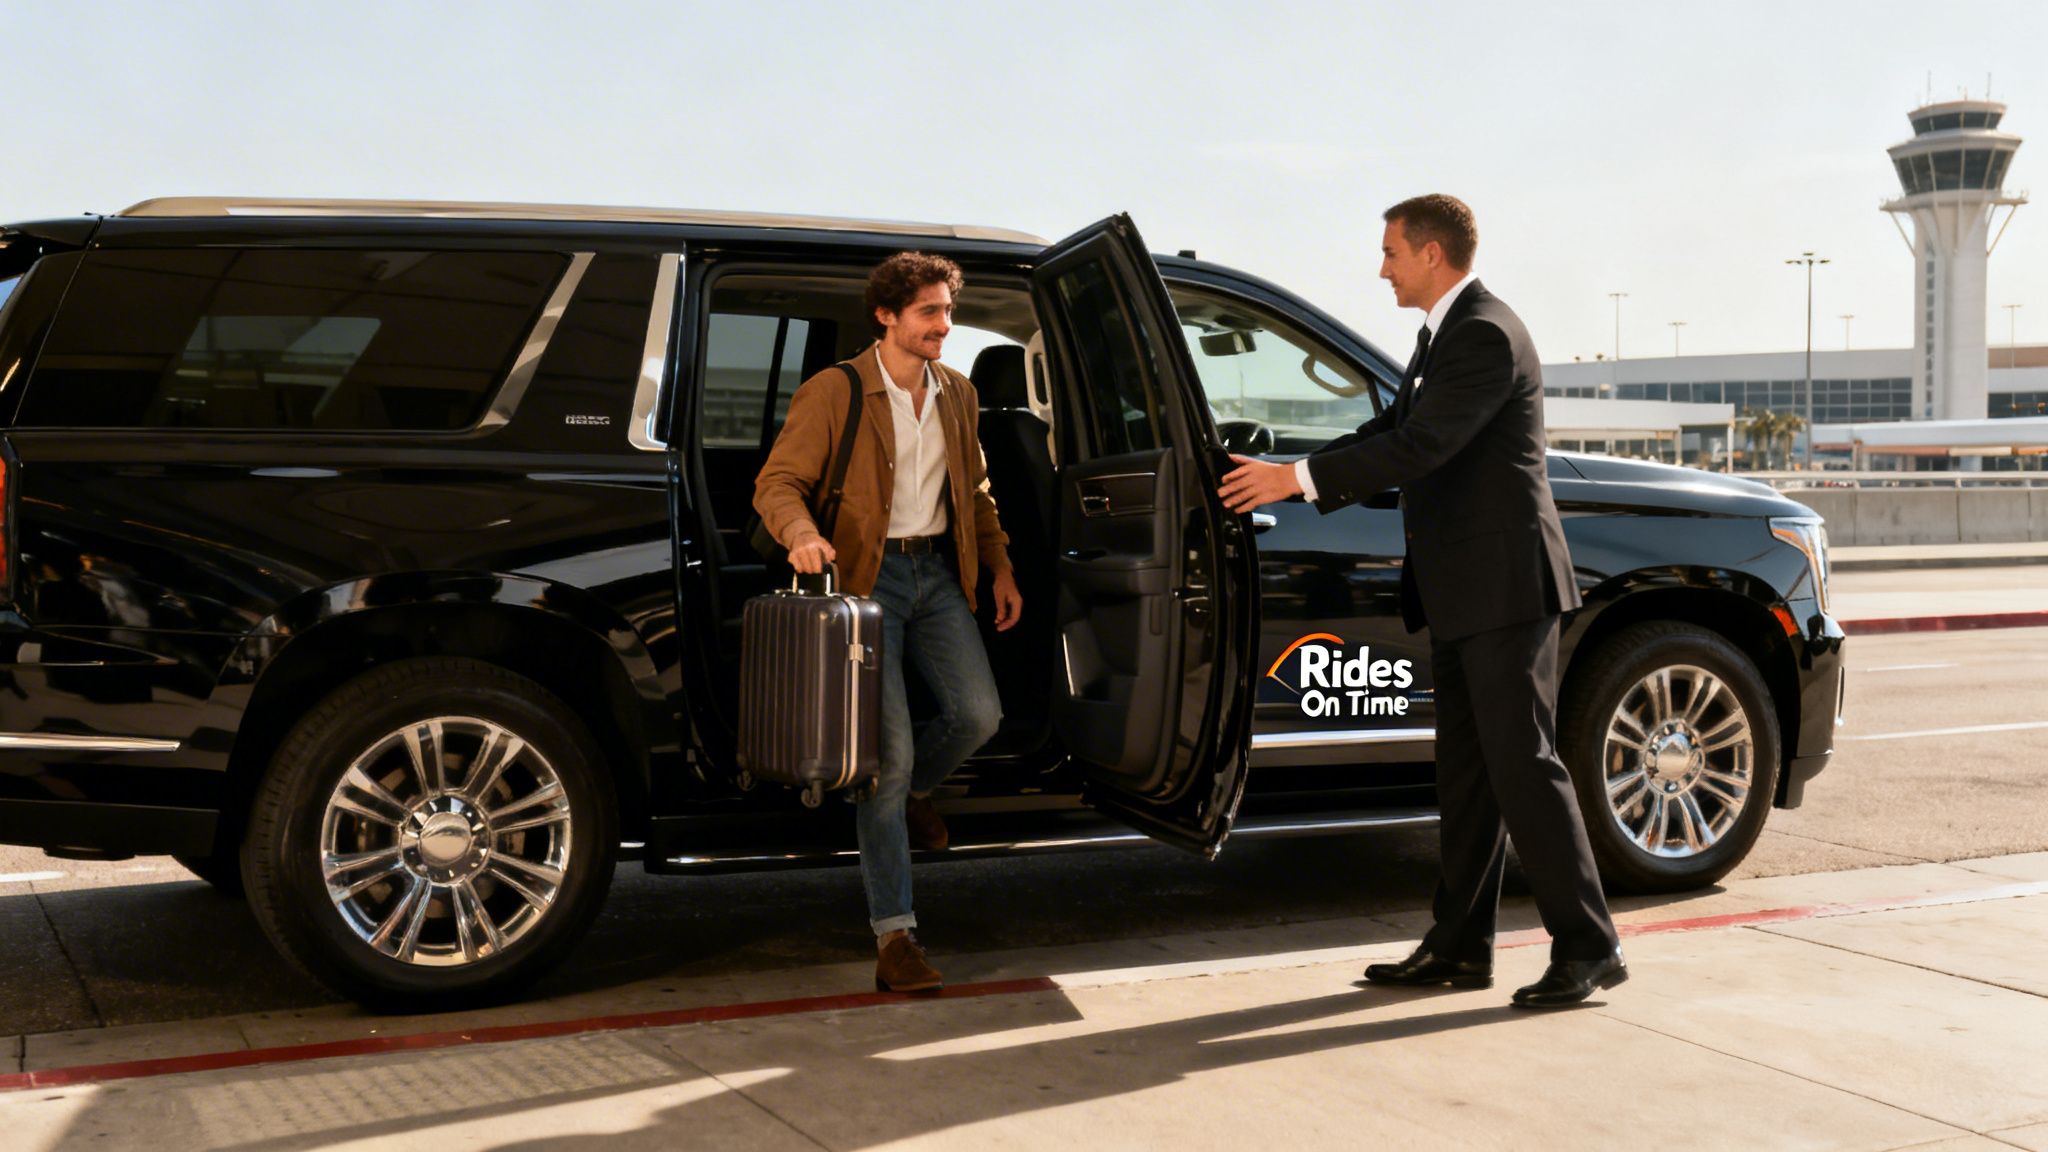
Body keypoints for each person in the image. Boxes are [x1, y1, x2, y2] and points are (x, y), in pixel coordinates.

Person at [1218, 194, 1626, 1008]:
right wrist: (1284, 470)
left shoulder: (1480, 333)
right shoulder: (1441, 336)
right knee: (1468, 779)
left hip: (1507, 590)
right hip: (1466, 593)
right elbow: (1385, 436)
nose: (1382, 268)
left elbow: (1422, 446)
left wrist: (1293, 482)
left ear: (1432, 253)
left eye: (1391, 253)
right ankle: (1458, 947)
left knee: (1524, 769)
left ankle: (1589, 945)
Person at [754, 251, 1022, 993]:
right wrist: (801, 535)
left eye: (947, 310)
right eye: (929, 312)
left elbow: (974, 493)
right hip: (864, 584)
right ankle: (895, 937)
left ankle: (912, 795)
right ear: (887, 316)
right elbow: (778, 483)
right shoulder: (836, 390)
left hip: (938, 572)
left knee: (978, 714)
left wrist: (998, 566)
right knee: (889, 757)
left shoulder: (958, 394)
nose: (944, 324)